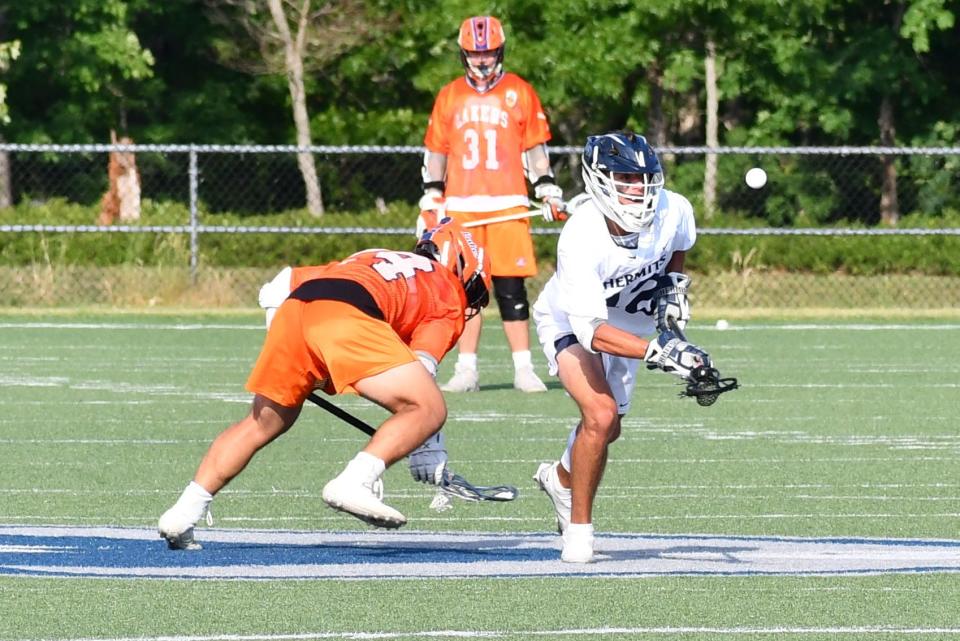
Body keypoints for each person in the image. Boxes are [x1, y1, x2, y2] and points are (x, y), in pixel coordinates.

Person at [158, 218, 492, 549]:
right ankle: (354, 481)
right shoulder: (447, 291)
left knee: (262, 423)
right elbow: (422, 378)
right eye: (473, 288)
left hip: (295, 308)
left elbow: (280, 283)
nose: (470, 301)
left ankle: (183, 512)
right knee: (429, 408)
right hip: (346, 313)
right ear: (459, 264)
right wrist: (428, 449)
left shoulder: (376, 255)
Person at [530, 131, 715, 563]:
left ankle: (559, 477)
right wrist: (657, 352)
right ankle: (579, 533)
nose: (638, 188)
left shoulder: (675, 210)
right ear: (598, 179)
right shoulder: (580, 236)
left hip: (628, 322)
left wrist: (670, 314)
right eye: (626, 178)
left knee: (610, 431)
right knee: (600, 415)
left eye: (645, 178)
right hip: (572, 322)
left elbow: (675, 260)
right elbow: (591, 330)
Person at [419, 15, 565, 394]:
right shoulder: (450, 95)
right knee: (466, 290)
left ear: (500, 52)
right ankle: (467, 369)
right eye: (474, 53)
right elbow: (436, 149)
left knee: (511, 289)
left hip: (508, 203)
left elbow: (535, 146)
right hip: (462, 206)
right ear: (463, 54)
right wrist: (433, 190)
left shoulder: (519, 91)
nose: (481, 61)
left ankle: (523, 368)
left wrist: (546, 186)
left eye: (487, 53)